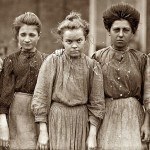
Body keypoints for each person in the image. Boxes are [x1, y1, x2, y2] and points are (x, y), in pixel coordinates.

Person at [31, 12, 105, 150]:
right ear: (62, 41)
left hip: (81, 121)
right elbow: (41, 96)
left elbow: (97, 102)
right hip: (57, 120)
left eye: (79, 40)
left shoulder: (92, 66)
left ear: (86, 39)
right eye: (69, 42)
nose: (74, 46)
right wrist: (43, 131)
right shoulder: (53, 61)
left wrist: (92, 135)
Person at [92, 2, 150, 149]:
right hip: (106, 117)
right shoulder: (97, 58)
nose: (120, 34)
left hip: (133, 117)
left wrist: (147, 124)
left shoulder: (142, 59)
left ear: (133, 32)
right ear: (109, 30)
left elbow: (148, 95)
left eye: (126, 30)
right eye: (116, 29)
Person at [0, 12, 47, 150]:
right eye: (23, 35)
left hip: (38, 115)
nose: (27, 39)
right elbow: (4, 97)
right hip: (15, 115)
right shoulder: (10, 60)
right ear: (17, 36)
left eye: (32, 35)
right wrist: (3, 126)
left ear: (39, 36)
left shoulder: (47, 60)